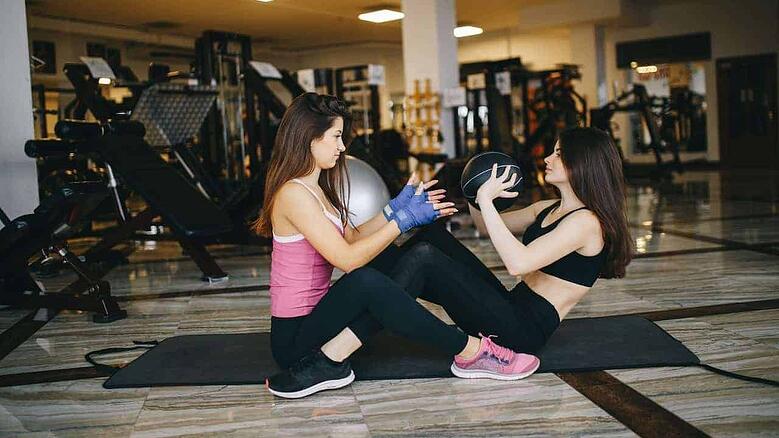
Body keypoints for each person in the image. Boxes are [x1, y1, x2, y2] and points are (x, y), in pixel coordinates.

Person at [255, 93, 540, 399]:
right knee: (364, 278)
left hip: (324, 323)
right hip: (295, 339)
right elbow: (348, 260)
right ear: (310, 137)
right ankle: (473, 351)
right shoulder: (293, 194)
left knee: (417, 255)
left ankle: (331, 359)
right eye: (336, 136)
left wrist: (393, 210)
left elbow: (351, 237)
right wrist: (401, 221)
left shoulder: (318, 188)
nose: (341, 146)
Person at [310, 126, 633, 384]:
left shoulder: (587, 222)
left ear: (582, 163)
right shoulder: (549, 209)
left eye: (559, 154)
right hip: (509, 306)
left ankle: (340, 347)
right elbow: (486, 226)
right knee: (431, 236)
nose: (548, 158)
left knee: (424, 257)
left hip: (520, 332)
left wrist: (489, 201)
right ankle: (354, 312)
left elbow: (518, 263)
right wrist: (478, 193)